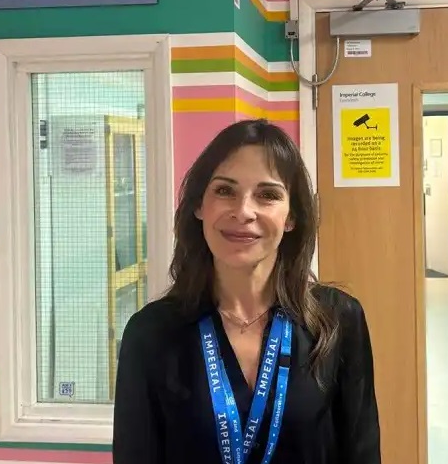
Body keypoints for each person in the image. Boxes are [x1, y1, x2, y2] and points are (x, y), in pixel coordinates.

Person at [112, 119, 380, 464]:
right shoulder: (150, 333)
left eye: (267, 195)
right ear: (199, 206)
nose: (243, 212)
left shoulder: (338, 320)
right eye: (225, 191)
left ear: (291, 217)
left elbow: (362, 452)